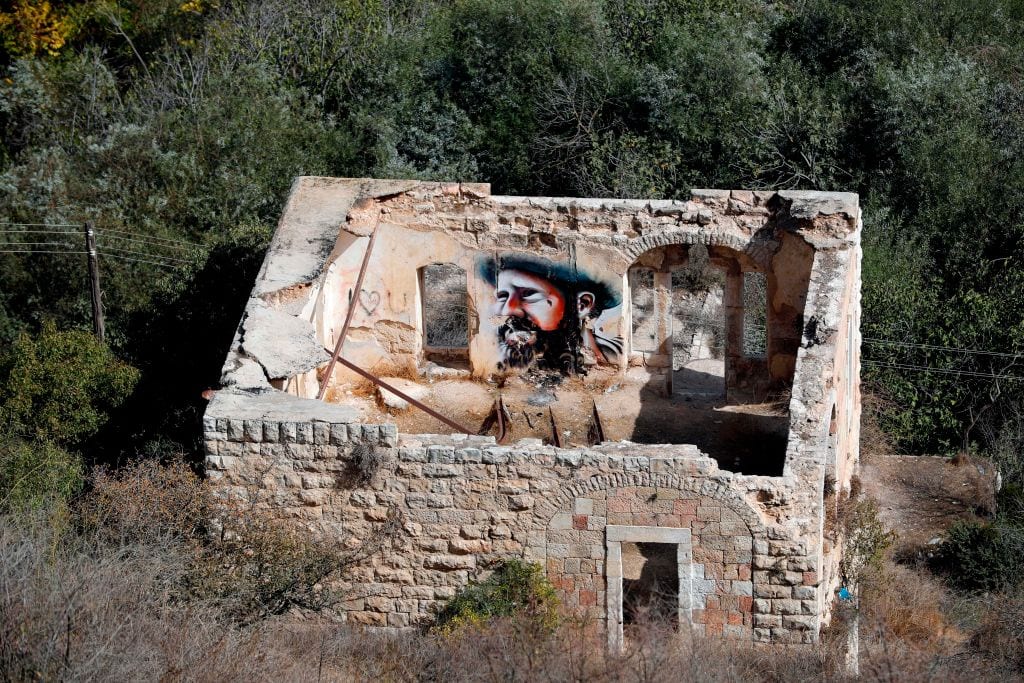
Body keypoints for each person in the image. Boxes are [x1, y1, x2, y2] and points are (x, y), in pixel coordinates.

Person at [478, 254, 622, 374]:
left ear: (582, 305)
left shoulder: (614, 352)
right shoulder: (496, 350)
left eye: (528, 293)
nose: (507, 310)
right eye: (502, 295)